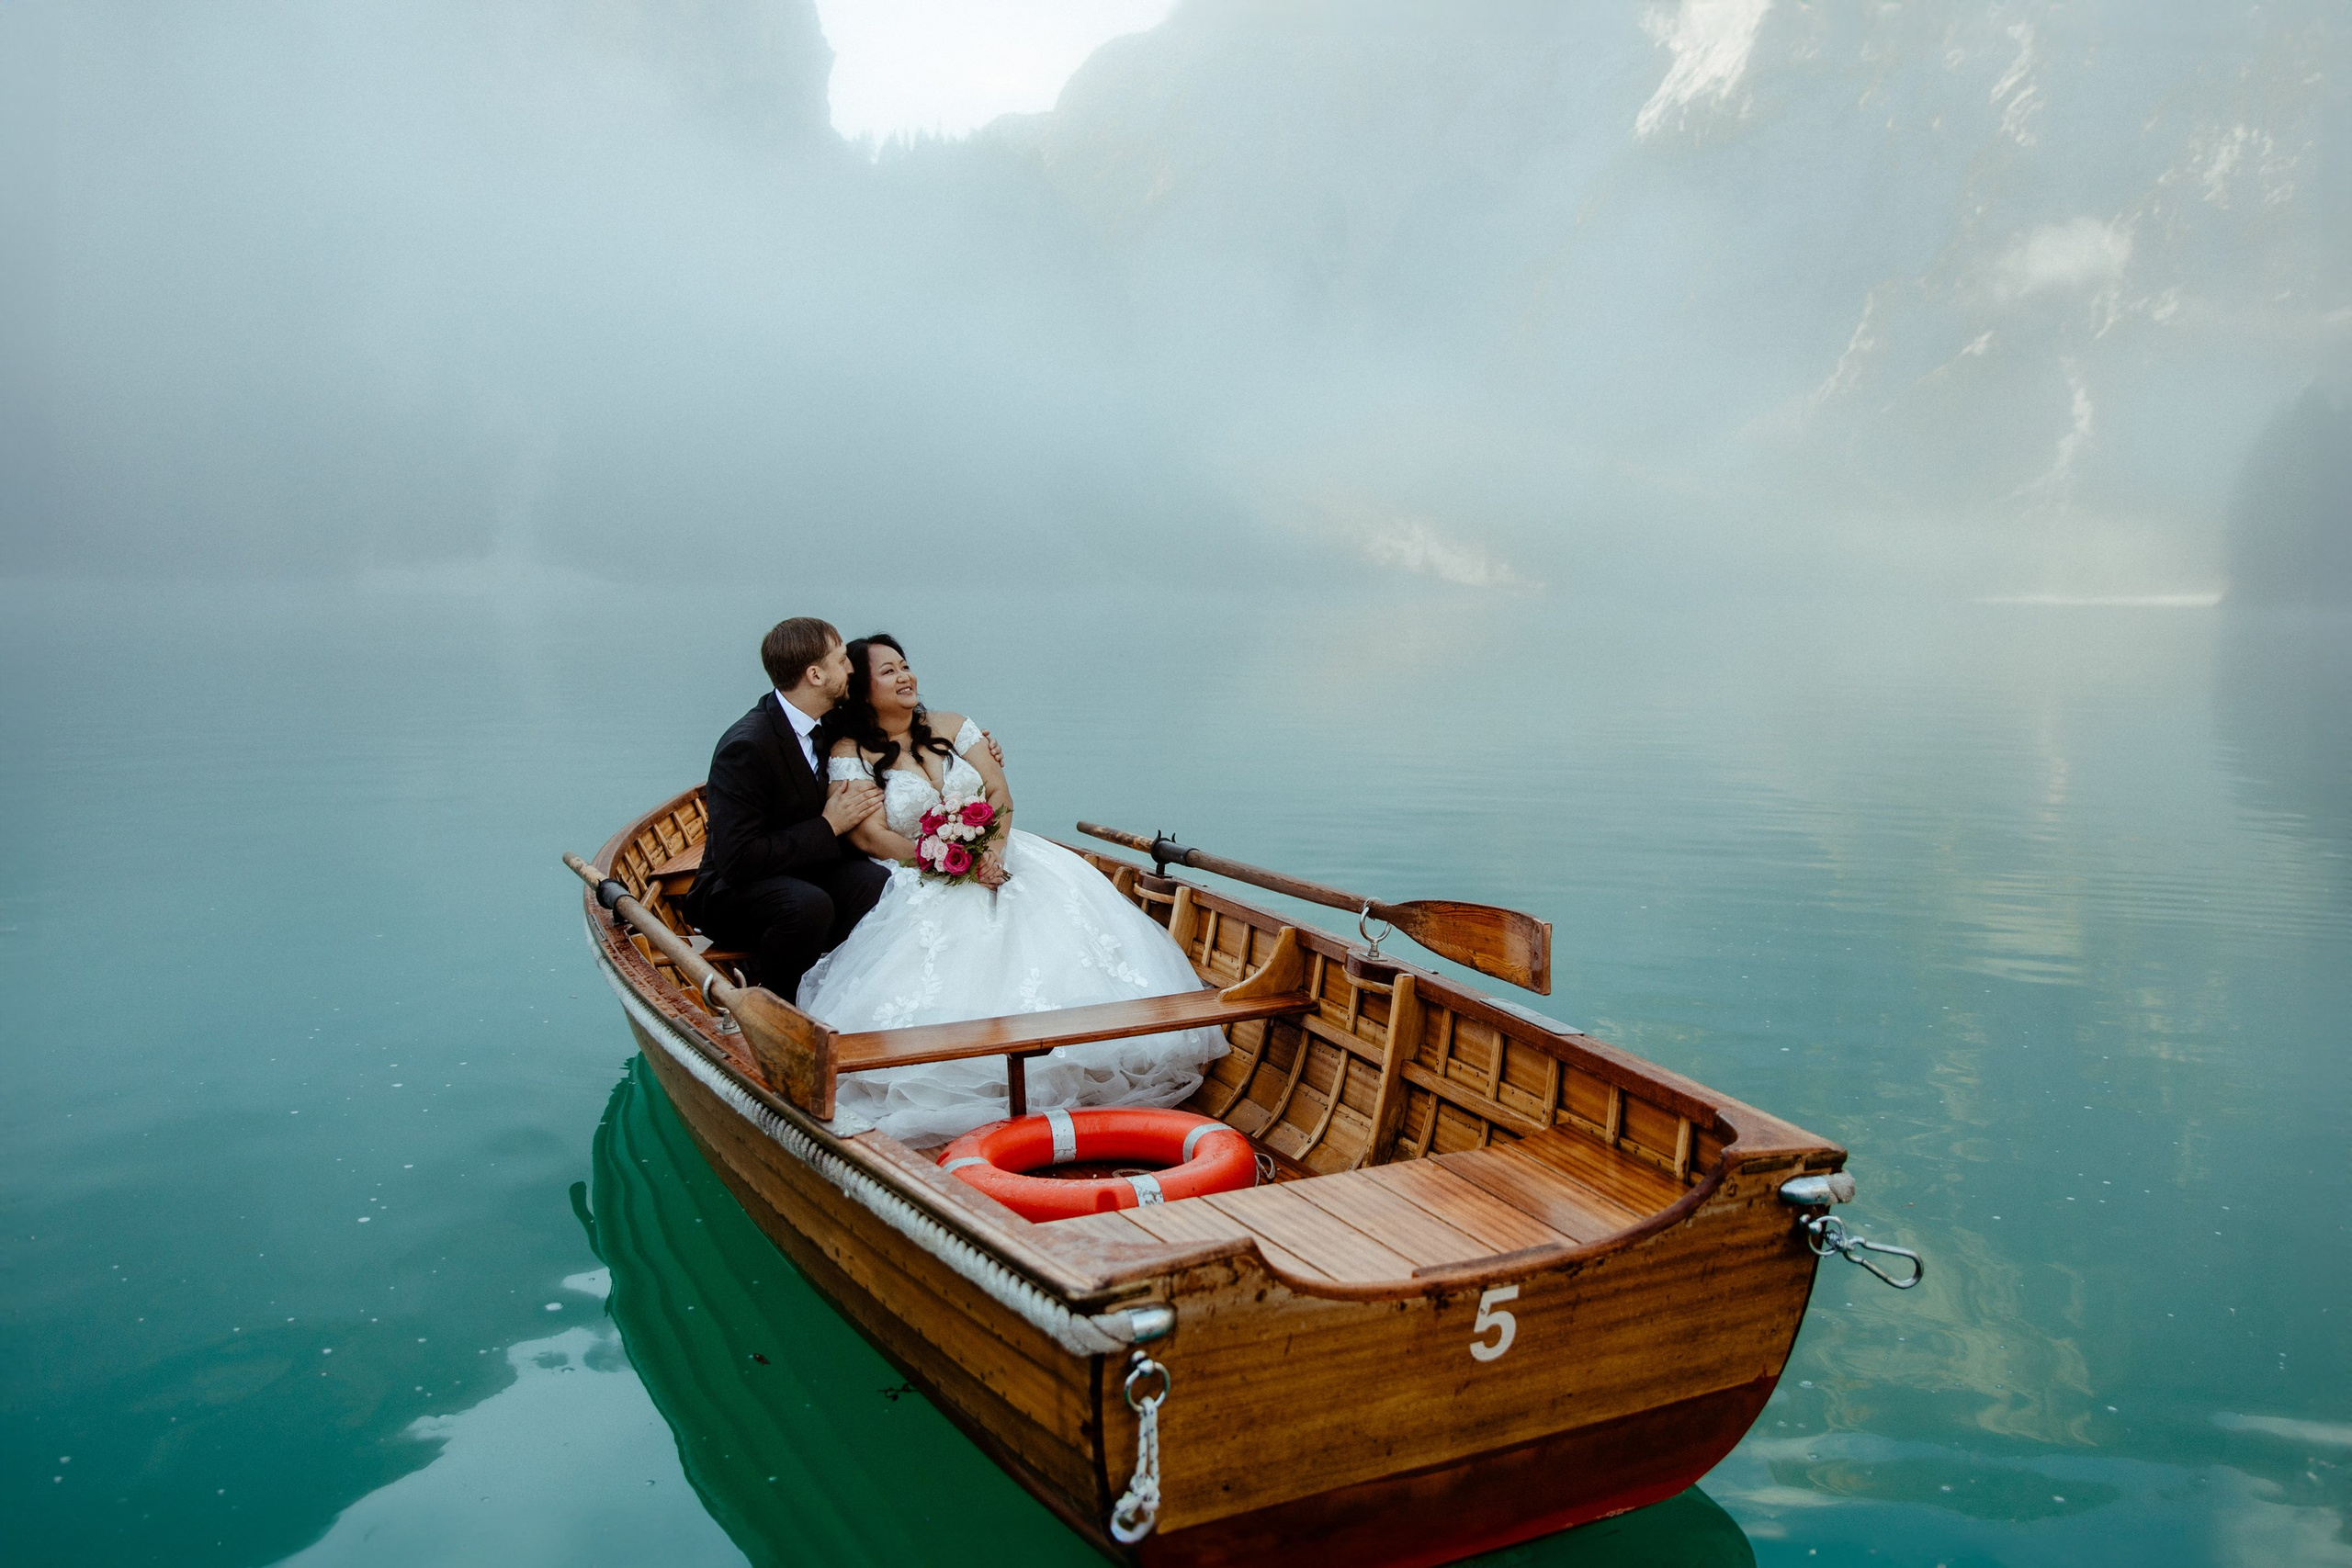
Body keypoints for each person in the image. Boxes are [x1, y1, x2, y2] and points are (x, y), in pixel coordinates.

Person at [797, 633, 1227, 1147]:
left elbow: (999, 792)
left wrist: (990, 852)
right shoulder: (852, 752)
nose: (905, 676)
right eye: (888, 671)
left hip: (1002, 851)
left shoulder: (954, 726)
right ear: (864, 689)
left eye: (906, 665)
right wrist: (941, 858)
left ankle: (1083, 1057)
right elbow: (869, 835)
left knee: (1051, 919)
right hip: (918, 870)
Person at [682, 618, 891, 998]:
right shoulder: (746, 747)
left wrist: (969, 744)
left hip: (802, 871)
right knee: (808, 905)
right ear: (815, 674)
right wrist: (828, 826)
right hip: (731, 893)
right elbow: (736, 860)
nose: (850, 669)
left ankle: (833, 992)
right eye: (842, 660)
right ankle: (775, 1000)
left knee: (873, 883)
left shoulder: (828, 722)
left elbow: (894, 727)